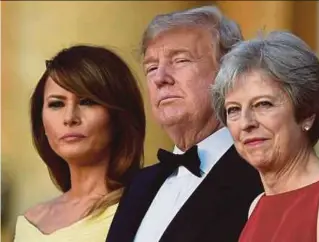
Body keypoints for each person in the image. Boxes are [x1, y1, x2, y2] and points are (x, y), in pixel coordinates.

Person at [106, 6, 263, 242]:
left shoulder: (261, 175)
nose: (160, 78)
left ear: (230, 74)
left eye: (180, 60)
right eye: (151, 68)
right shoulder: (138, 184)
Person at [211, 31, 319, 242]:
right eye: (233, 109)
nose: (246, 123)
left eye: (263, 104)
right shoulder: (257, 205)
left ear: (307, 113)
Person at [14, 45, 146, 242]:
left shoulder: (145, 209)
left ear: (119, 117)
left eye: (87, 102)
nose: (69, 118)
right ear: (41, 122)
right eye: (56, 104)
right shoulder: (29, 222)